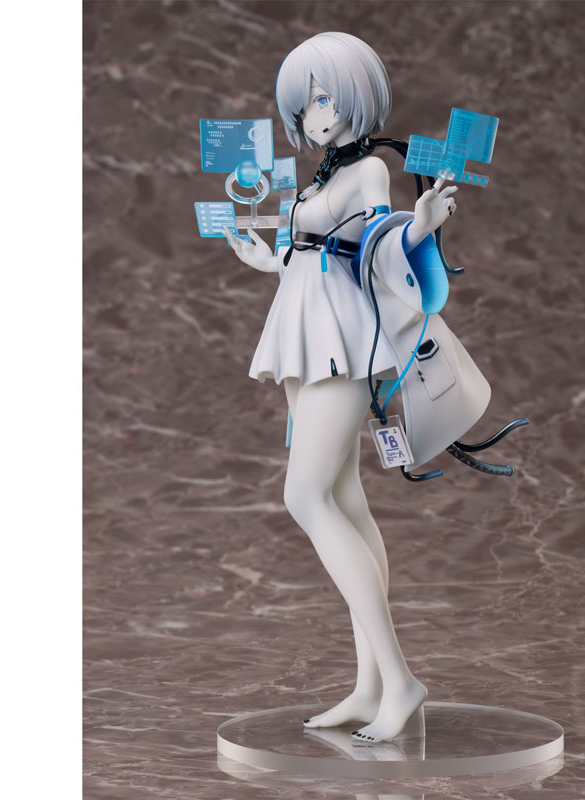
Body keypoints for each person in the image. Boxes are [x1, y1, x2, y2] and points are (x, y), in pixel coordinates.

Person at [221, 31, 462, 743]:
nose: (313, 115)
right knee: (345, 499)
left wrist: (420, 229)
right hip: (302, 336)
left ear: (355, 95)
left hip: (340, 348)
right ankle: (368, 686)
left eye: (323, 98)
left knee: (304, 496)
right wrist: (265, 261)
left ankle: (400, 679)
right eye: (303, 105)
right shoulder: (321, 178)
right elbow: (311, 255)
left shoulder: (368, 172)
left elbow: (379, 244)